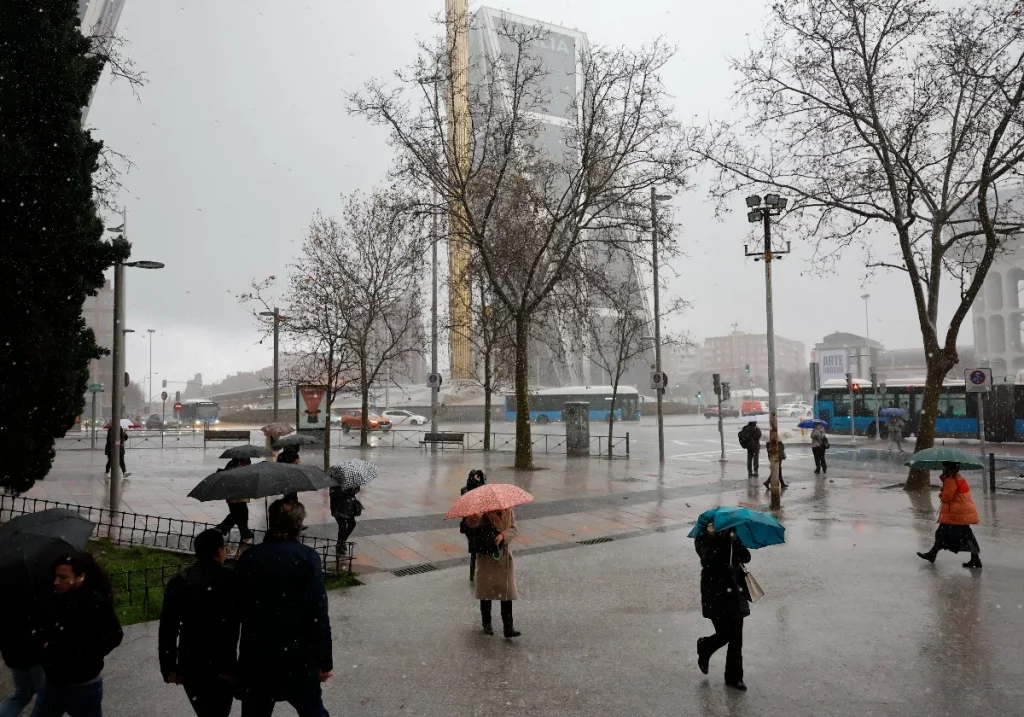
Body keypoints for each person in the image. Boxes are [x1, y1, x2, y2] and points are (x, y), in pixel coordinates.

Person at [236, 500, 332, 716]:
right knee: (312, 711)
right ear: (298, 525)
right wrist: (325, 660)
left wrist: (229, 664)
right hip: (299, 656)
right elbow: (319, 613)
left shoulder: (249, 557)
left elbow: (235, 612)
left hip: (257, 655)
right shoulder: (307, 557)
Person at [159, 529, 240, 717]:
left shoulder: (180, 581)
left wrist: (169, 666)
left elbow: (168, 629)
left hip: (191, 663)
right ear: (219, 551)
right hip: (223, 662)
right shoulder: (231, 579)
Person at [33, 552, 123, 717]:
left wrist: (84, 656)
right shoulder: (54, 597)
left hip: (83, 685)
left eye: (63, 577)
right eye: (56, 576)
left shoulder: (95, 603)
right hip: (54, 681)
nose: (56, 581)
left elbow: (114, 635)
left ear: (81, 577)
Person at [695, 524, 751, 691]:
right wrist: (715, 539)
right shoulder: (704, 538)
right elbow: (707, 560)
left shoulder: (733, 535)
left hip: (735, 592)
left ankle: (734, 677)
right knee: (725, 633)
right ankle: (705, 646)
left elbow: (746, 557)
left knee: (736, 637)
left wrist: (734, 540)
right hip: (715, 593)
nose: (724, 529)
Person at [465, 508, 520, 638]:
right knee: (486, 592)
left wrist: (503, 535)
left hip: (503, 557)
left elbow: (514, 529)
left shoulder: (508, 509)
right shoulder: (483, 509)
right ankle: (486, 623)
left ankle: (508, 627)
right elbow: (470, 525)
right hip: (487, 556)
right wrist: (477, 516)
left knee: (506, 593)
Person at [917, 462, 982, 569]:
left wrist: (941, 493)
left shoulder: (950, 480)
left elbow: (947, 497)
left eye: (944, 467)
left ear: (948, 468)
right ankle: (975, 558)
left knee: (942, 533)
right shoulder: (959, 478)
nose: (943, 468)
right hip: (961, 512)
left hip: (955, 513)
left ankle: (932, 554)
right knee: (966, 535)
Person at [0, 582, 45, 717]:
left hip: (13, 652)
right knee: (46, 697)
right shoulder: (28, 580)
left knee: (21, 694)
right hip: (35, 650)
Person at [216, 458, 254, 552]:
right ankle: (244, 533)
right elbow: (229, 478)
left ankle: (221, 529)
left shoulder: (247, 463)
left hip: (242, 495)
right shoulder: (232, 464)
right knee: (238, 514)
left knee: (237, 514)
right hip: (233, 495)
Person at [458, 470, 487, 582]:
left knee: (476, 550)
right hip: (471, 524)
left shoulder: (480, 490)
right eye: (476, 477)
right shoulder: (467, 491)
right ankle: (474, 573)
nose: (478, 480)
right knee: (475, 549)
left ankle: (474, 573)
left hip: (475, 524)